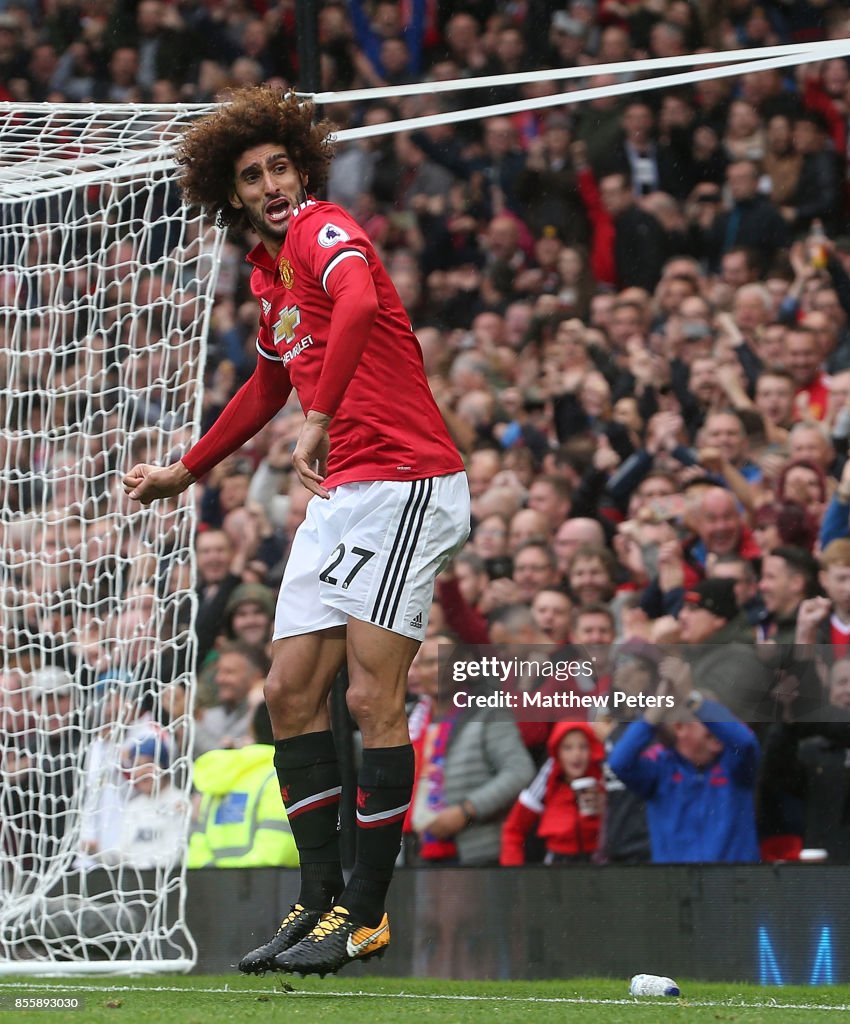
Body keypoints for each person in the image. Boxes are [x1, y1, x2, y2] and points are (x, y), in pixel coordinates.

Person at [122, 88, 470, 976]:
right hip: (344, 491)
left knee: (367, 698)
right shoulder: (265, 271)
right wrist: (187, 469)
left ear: (301, 172)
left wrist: (318, 419)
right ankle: (316, 903)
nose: (272, 184)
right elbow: (266, 387)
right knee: (285, 690)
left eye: (280, 166)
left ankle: (366, 912)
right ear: (230, 194)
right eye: (252, 175)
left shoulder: (321, 230)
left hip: (405, 478)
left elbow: (353, 306)